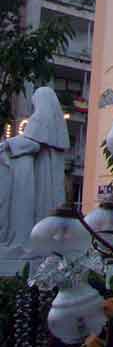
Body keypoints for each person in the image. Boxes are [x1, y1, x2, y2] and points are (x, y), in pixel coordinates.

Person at [0, 87, 69, 251]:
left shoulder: (40, 118)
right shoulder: (55, 123)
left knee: (36, 210)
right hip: (47, 176)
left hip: (39, 176)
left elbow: (31, 143)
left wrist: (7, 145)